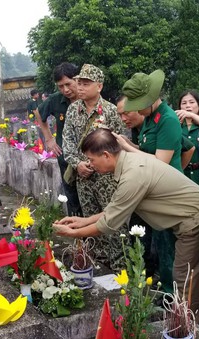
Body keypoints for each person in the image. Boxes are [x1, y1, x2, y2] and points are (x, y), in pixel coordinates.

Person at [53, 128, 199, 327]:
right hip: (191, 219)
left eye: (92, 159)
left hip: (196, 221)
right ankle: (193, 327)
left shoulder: (133, 175)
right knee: (190, 281)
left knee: (185, 284)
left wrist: (73, 233)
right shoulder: (128, 164)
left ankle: (188, 330)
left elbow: (108, 224)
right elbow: (115, 208)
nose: (90, 164)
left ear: (106, 155)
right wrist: (81, 222)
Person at [117, 70, 184, 294]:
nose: (134, 111)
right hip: (152, 191)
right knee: (158, 245)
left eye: (138, 105)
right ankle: (164, 290)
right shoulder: (149, 120)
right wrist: (130, 144)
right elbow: (146, 151)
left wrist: (127, 148)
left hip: (166, 193)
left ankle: (170, 296)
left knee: (167, 249)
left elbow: (160, 162)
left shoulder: (168, 120)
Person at [62, 64, 126, 267]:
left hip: (108, 178)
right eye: (79, 83)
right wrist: (78, 163)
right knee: (90, 219)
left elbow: (120, 143)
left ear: (99, 86)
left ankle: (119, 266)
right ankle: (99, 264)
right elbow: (68, 143)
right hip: (84, 177)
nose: (80, 87)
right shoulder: (73, 110)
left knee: (114, 221)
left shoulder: (111, 111)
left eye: (86, 83)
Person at [37, 62, 82, 217]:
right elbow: (39, 113)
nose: (66, 90)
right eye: (61, 86)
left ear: (77, 79)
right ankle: (79, 237)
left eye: (68, 84)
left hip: (88, 157)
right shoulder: (56, 100)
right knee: (72, 198)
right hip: (66, 157)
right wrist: (49, 139)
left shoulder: (87, 96)